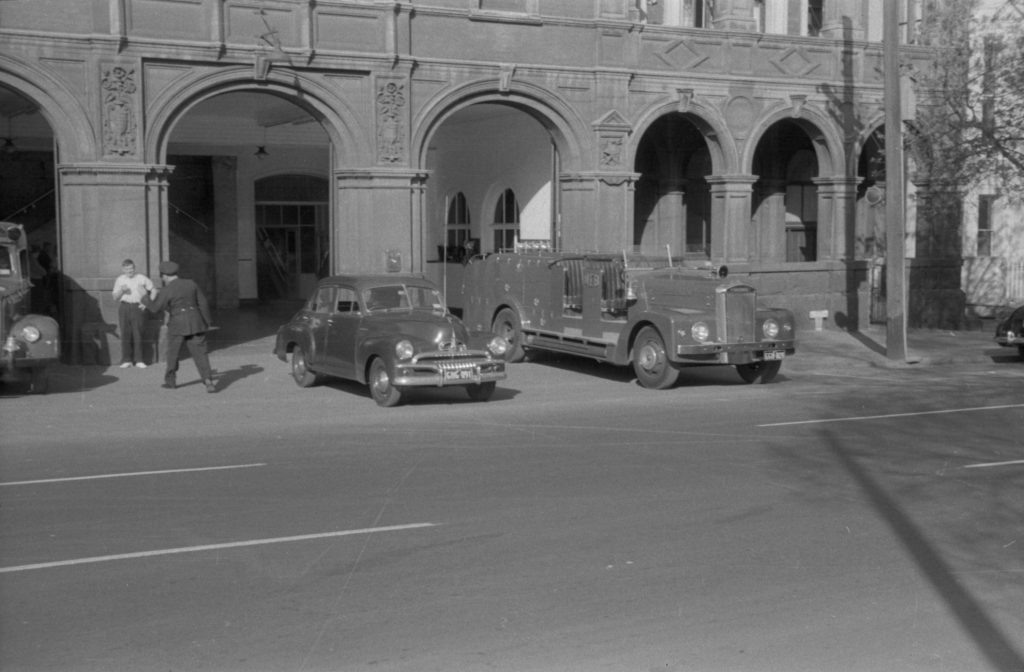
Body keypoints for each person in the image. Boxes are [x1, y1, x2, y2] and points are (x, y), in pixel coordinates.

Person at [141, 260, 217, 393]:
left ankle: (171, 382)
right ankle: (208, 380)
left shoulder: (167, 289)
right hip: (196, 322)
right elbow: (203, 303)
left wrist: (145, 297)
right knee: (201, 354)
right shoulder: (191, 283)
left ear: (164, 275)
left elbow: (154, 308)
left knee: (173, 353)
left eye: (162, 276)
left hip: (177, 324)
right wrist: (207, 322)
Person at [111, 259, 155, 368]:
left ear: (134, 268)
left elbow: (154, 290)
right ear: (123, 269)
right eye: (127, 269)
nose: (129, 271)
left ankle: (139, 360)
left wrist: (147, 304)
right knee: (125, 333)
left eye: (131, 268)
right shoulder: (120, 279)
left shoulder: (141, 278)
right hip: (124, 307)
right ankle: (126, 360)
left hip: (137, 307)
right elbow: (115, 297)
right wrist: (122, 290)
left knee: (138, 333)